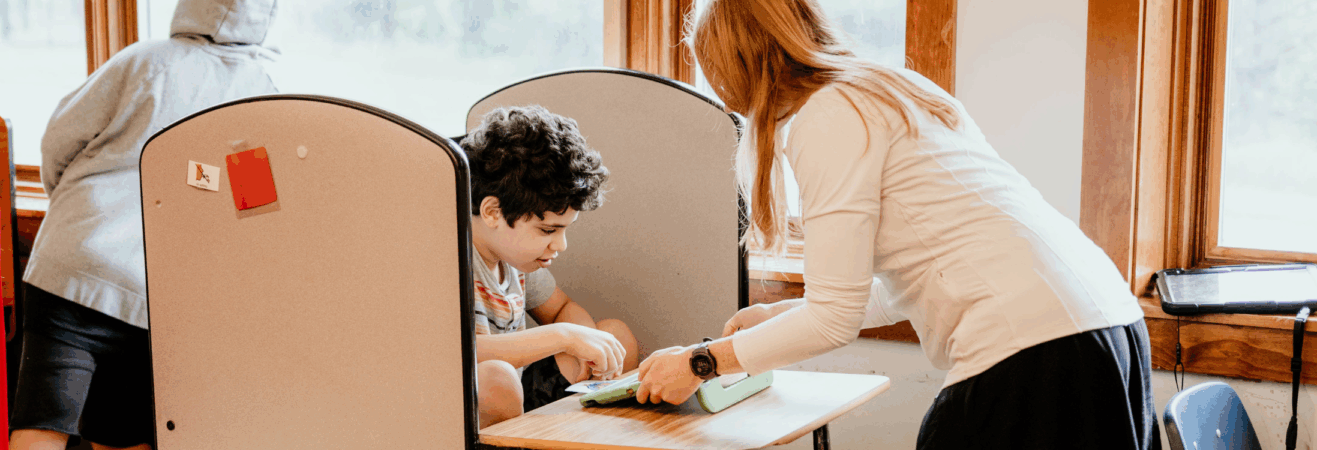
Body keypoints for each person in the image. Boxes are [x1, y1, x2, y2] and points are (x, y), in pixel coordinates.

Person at [633, 1, 1158, 449]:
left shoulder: (827, 116)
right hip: (1104, 327)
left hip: (1035, 351)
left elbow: (831, 323)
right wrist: (782, 312)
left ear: (741, 62)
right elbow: (915, 278)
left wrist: (701, 363)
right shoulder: (890, 87)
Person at [9, 1, 280, 449]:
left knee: (42, 424)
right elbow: (252, 206)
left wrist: (73, 210)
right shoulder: (262, 97)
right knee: (123, 436)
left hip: (73, 267)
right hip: (152, 288)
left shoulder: (144, 60)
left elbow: (60, 139)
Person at [462, 105, 640, 428]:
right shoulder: (454, 261)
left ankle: (565, 431)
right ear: (492, 213)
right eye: (548, 231)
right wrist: (564, 337)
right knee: (495, 381)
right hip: (488, 396)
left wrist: (588, 348)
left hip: (524, 391)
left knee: (616, 337)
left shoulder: (518, 260)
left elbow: (562, 310)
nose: (560, 245)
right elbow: (464, 352)